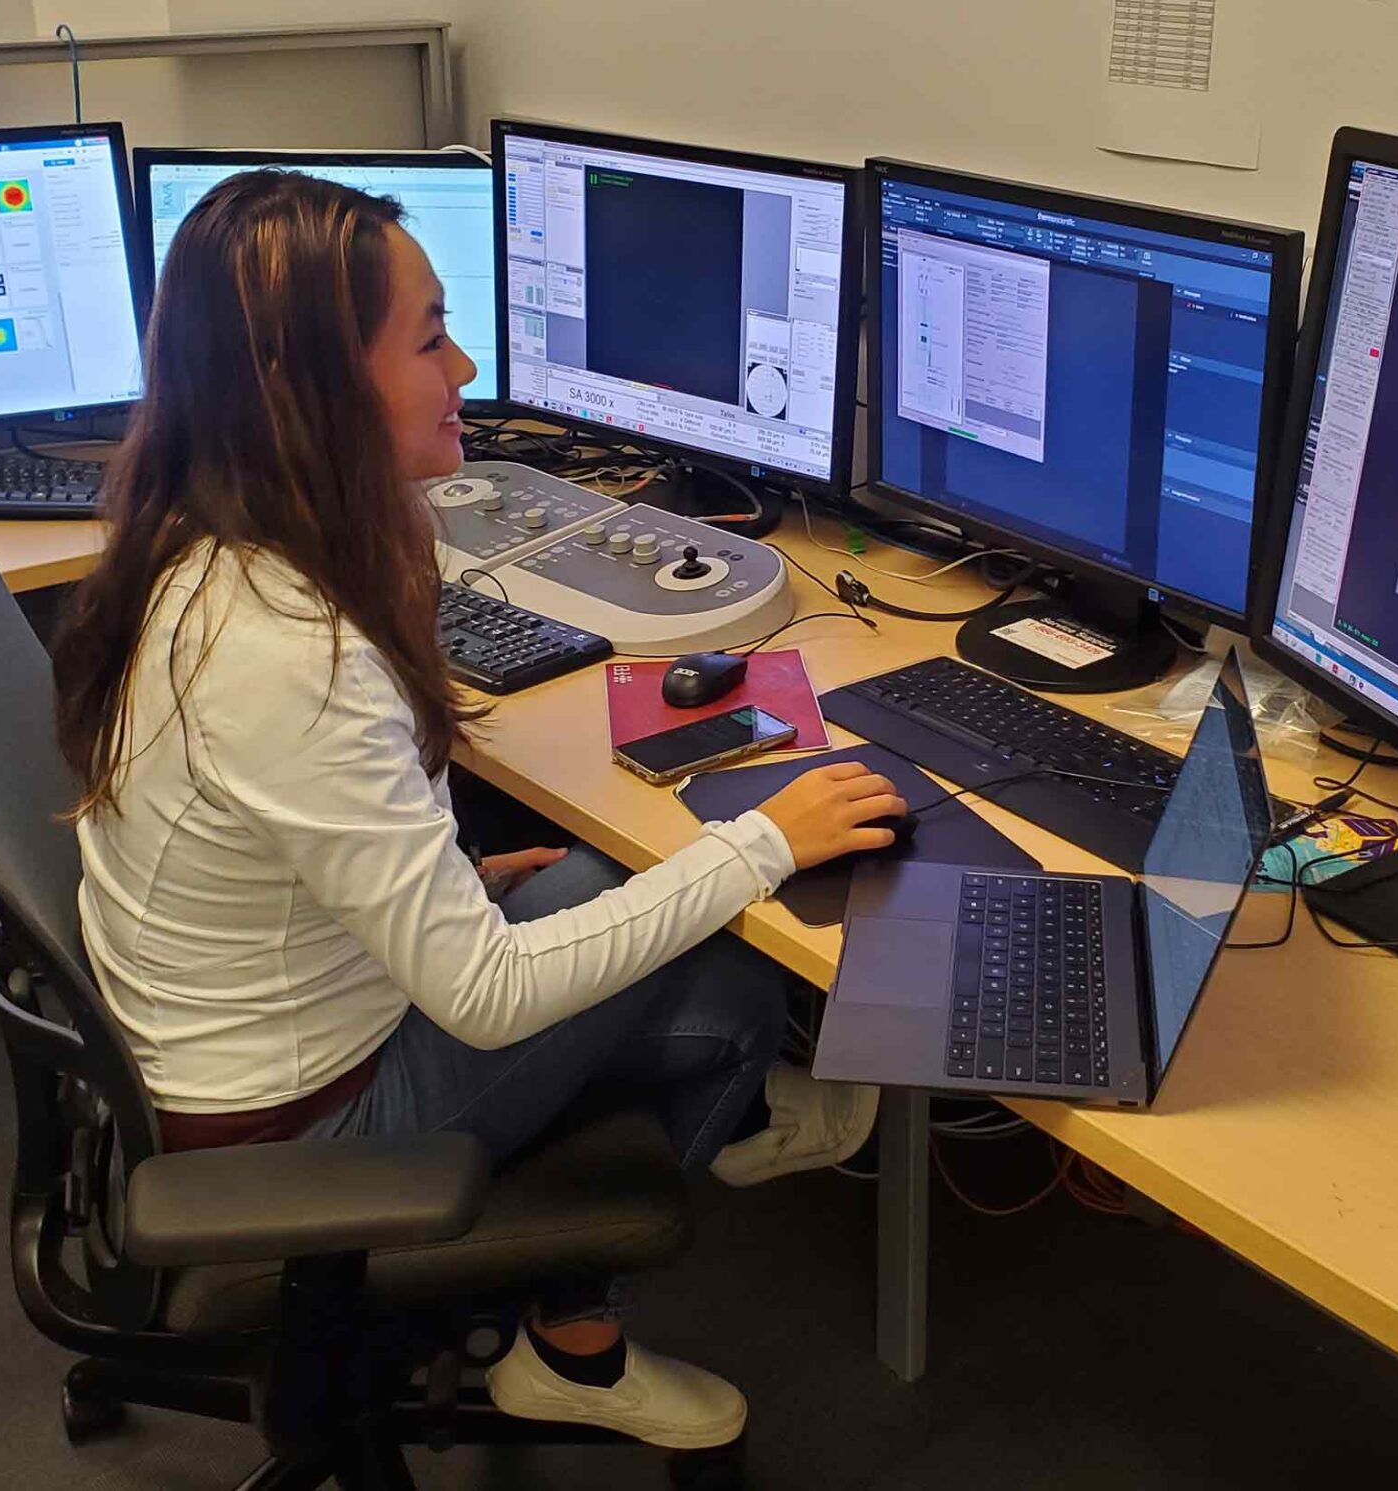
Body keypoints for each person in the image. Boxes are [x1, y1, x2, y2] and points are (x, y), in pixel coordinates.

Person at [50, 170, 901, 1450]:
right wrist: (766, 840)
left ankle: (581, 1288)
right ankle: (573, 1344)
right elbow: (485, 999)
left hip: (233, 1025)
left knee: (605, 892)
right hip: (297, 1117)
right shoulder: (288, 652)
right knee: (728, 1001)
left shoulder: (209, 532)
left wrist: (456, 883)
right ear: (310, 389)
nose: (463, 365)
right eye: (429, 336)